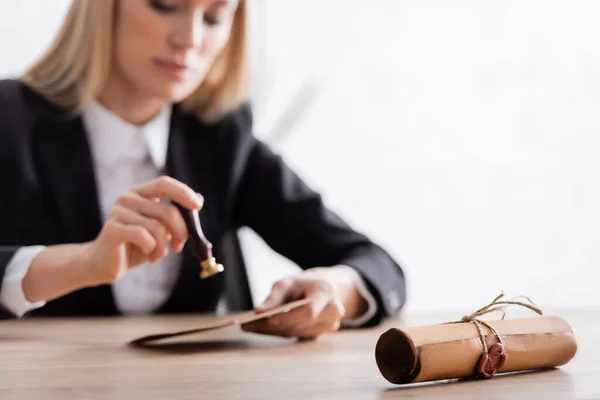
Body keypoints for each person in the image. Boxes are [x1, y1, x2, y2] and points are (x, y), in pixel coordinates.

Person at [0, 0, 405, 339]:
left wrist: (337, 288)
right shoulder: (10, 120)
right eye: (165, 4)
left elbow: (375, 264)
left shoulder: (220, 138)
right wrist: (84, 263)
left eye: (213, 17)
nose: (190, 39)